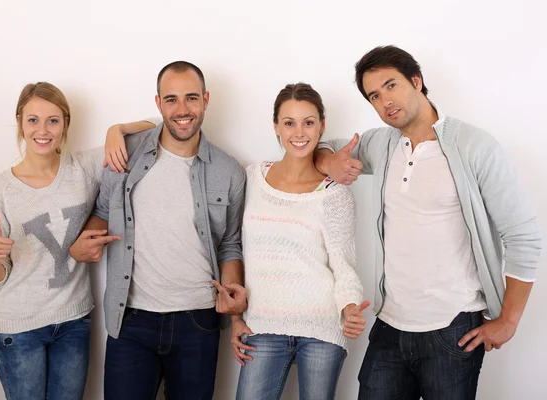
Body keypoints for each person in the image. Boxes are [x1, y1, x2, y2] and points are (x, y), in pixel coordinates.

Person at [316, 45, 542, 400]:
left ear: (417, 81)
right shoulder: (380, 143)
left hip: (453, 329)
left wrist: (508, 321)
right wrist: (329, 163)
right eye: (374, 95)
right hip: (389, 325)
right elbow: (324, 146)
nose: (385, 101)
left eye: (391, 85)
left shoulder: (474, 147)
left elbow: (523, 236)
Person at [69, 61, 247, 400]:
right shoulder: (125, 152)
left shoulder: (229, 171)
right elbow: (104, 211)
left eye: (191, 98)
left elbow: (229, 244)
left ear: (206, 100)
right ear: (158, 103)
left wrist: (234, 294)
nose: (182, 110)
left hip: (198, 321)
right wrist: (84, 241)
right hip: (132, 319)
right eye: (172, 100)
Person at [0, 81, 153, 400]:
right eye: (33, 120)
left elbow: (149, 133)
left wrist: (117, 128)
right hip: (20, 331)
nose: (42, 130)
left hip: (73, 323)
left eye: (53, 120)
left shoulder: (83, 168)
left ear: (65, 124)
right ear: (19, 122)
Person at [231, 83, 369, 400]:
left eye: (308, 122)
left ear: (322, 125)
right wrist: (236, 318)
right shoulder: (252, 178)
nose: (299, 132)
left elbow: (343, 264)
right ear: (276, 126)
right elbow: (234, 249)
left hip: (322, 327)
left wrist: (349, 309)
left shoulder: (335, 194)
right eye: (289, 122)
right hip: (262, 326)